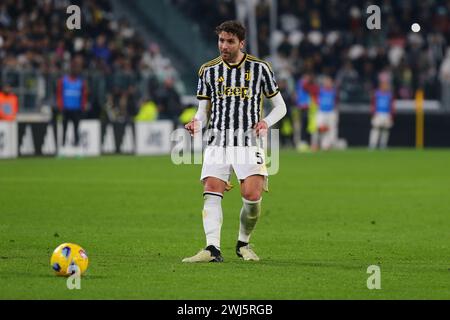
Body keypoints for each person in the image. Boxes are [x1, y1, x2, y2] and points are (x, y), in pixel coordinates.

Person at [183, 21, 287, 263]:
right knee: (211, 188)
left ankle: (243, 242)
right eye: (221, 40)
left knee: (251, 197)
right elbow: (203, 110)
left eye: (230, 41)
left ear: (241, 43)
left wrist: (265, 123)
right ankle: (212, 249)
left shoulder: (260, 69)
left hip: (248, 141)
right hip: (218, 139)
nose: (224, 46)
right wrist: (196, 122)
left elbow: (280, 107)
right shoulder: (208, 71)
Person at [56, 56, 88, 154]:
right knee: (64, 129)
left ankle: (77, 150)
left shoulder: (81, 82)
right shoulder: (63, 81)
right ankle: (62, 150)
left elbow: (84, 96)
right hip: (66, 109)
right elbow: (59, 94)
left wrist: (83, 106)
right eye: (74, 68)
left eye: (77, 69)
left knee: (76, 130)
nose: (75, 70)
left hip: (76, 109)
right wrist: (60, 106)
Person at [312, 76, 339, 150]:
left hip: (330, 112)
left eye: (329, 82)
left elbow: (336, 101)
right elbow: (314, 95)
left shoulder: (333, 91)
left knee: (329, 129)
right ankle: (315, 144)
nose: (328, 84)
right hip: (321, 111)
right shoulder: (320, 90)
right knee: (318, 127)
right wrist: (317, 102)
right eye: (326, 82)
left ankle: (326, 145)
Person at [369, 80, 395, 149]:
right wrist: (373, 113)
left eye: (386, 85)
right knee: (375, 129)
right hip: (378, 113)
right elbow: (373, 104)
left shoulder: (389, 95)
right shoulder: (377, 94)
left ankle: (383, 145)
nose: (385, 87)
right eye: (383, 85)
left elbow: (392, 105)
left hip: (386, 114)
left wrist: (391, 115)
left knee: (385, 130)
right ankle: (372, 145)